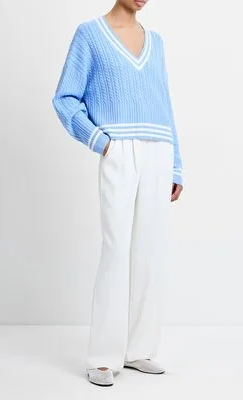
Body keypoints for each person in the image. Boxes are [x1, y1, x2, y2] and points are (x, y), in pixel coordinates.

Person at [52, 0, 183, 387]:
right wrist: (100, 141)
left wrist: (176, 163)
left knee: (150, 250)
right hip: (119, 149)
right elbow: (65, 98)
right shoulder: (90, 35)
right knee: (116, 249)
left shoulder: (156, 42)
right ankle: (103, 356)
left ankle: (139, 349)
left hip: (159, 150)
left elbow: (164, 102)